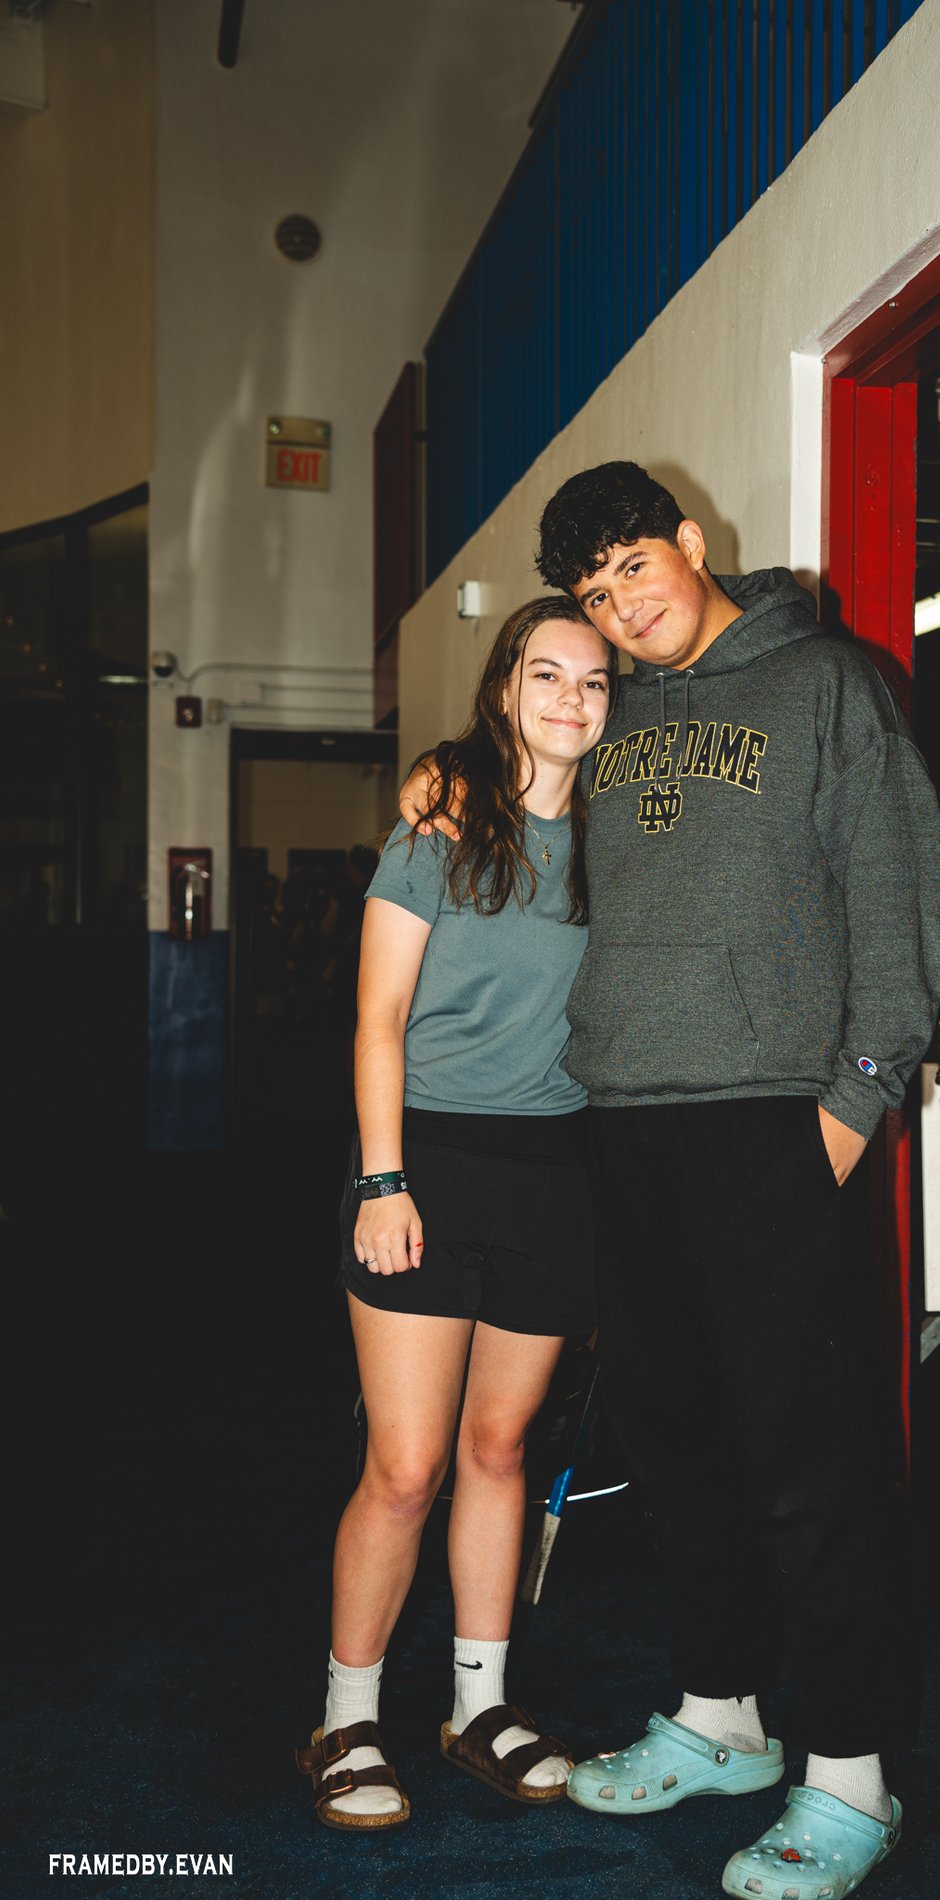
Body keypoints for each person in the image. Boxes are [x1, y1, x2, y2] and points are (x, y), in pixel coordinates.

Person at [401, 463, 940, 1897]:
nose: (620, 608)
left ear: (691, 544)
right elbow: (521, 769)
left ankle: (851, 1775)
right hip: (623, 1129)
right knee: (681, 1455)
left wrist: (852, 1108)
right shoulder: (619, 710)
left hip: (775, 1127)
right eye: (594, 594)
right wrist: (447, 772)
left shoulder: (828, 684)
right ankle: (722, 1717)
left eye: (633, 569)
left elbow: (901, 906)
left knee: (808, 1468)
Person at [296, 595, 615, 1830]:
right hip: (425, 1163)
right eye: (548, 675)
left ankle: (479, 1703)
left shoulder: (615, 837)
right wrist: (383, 1181)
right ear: (505, 686)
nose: (572, 699)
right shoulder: (441, 822)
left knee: (499, 1450)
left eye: (594, 681)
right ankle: (347, 1715)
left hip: (554, 1175)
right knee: (407, 1464)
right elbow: (376, 1018)